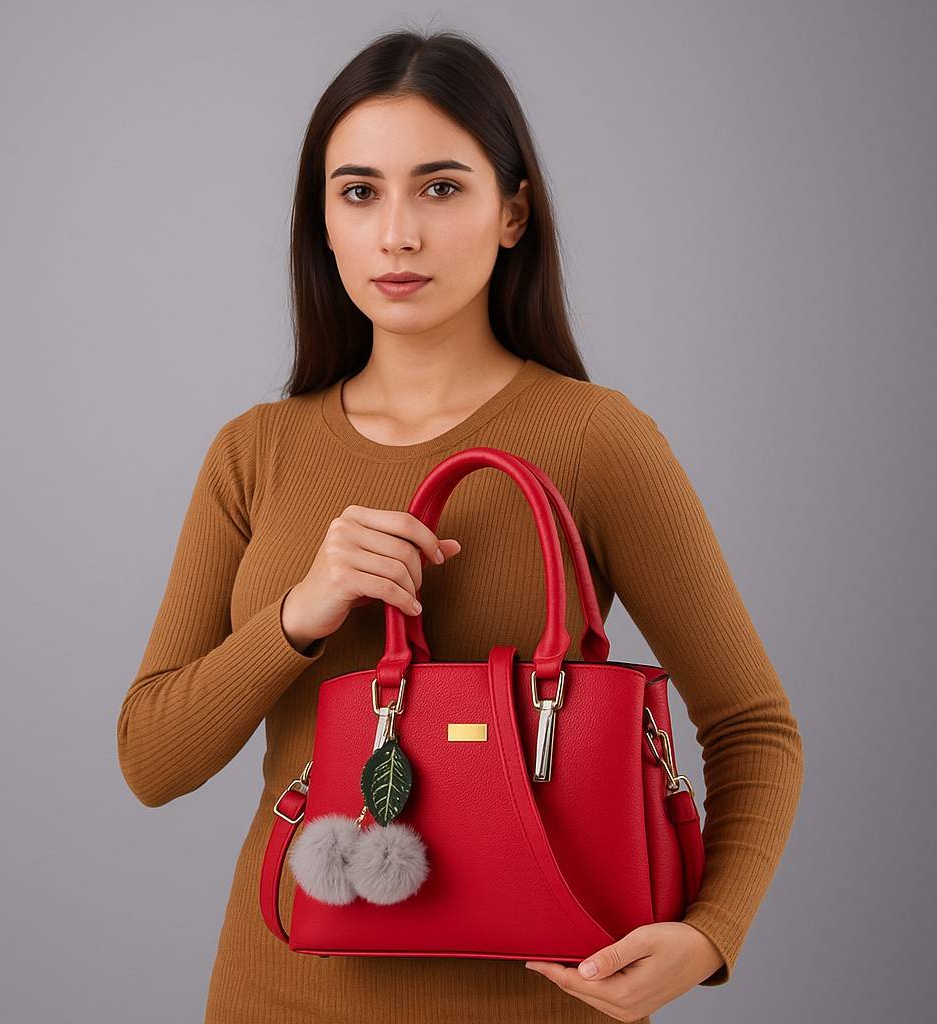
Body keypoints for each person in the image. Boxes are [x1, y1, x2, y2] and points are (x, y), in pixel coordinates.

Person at [116, 27, 804, 1024]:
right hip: (278, 996)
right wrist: (298, 615)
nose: (398, 233)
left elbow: (751, 724)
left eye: (439, 188)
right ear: (323, 221)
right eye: (359, 192)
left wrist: (709, 932)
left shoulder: (595, 439)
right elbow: (150, 760)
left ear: (512, 212)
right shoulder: (254, 452)